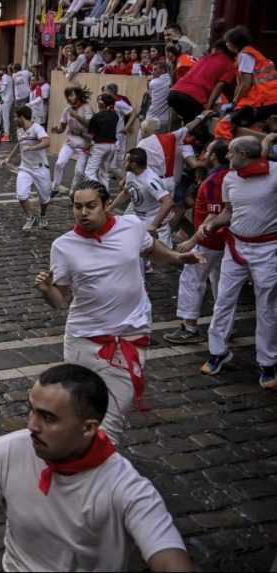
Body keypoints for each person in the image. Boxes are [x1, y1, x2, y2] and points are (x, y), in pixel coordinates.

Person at [0, 364, 194, 572]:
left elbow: (167, 555)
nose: (32, 425)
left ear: (88, 428)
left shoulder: (127, 489)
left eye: (48, 418)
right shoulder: (5, 451)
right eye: (32, 411)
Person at [34, 180, 202, 440]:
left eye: (91, 206)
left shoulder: (132, 226)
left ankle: (95, 471)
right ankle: (78, 467)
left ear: (106, 205)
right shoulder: (63, 246)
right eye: (77, 207)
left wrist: (178, 258)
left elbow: (152, 251)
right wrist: (47, 290)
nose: (83, 213)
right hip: (84, 340)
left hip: (129, 336)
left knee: (110, 420)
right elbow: (60, 301)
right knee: (79, 413)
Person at [200, 136, 277, 388]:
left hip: (267, 249)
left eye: (231, 152)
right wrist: (212, 224)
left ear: (243, 153)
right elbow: (228, 211)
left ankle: (267, 363)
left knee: (266, 306)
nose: (227, 156)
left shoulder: (275, 173)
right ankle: (218, 351)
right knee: (223, 300)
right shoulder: (230, 178)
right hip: (235, 247)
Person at [164, 139, 229, 345]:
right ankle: (224, 326)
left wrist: (192, 241)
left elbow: (214, 215)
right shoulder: (231, 177)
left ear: (215, 157)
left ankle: (189, 327)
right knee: (220, 283)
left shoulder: (214, 181)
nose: (203, 155)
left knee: (192, 279)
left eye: (207, 151)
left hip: (209, 241)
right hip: (225, 241)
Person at [107, 148, 173, 250]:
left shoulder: (150, 181)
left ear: (133, 164)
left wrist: (153, 225)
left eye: (127, 160)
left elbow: (168, 202)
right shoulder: (131, 174)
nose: (124, 162)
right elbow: (126, 193)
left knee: (161, 259)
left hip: (154, 223)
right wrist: (109, 208)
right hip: (138, 218)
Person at [0, 106, 52, 231]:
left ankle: (43, 215)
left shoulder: (37, 128)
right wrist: (8, 158)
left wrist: (32, 148)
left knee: (44, 199)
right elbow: (19, 145)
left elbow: (47, 142)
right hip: (25, 168)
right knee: (21, 195)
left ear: (22, 117)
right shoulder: (19, 131)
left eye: (16, 117)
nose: (14, 119)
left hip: (40, 168)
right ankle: (30, 217)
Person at [168, 41, 237, 125]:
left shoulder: (205, 57)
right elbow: (218, 87)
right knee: (199, 127)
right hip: (192, 97)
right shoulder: (229, 64)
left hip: (173, 93)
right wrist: (208, 108)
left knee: (190, 126)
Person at [51, 86, 93, 194]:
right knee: (59, 163)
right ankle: (55, 187)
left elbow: (89, 124)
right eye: (68, 96)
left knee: (79, 172)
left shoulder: (87, 108)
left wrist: (76, 116)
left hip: (84, 143)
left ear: (78, 95)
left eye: (71, 95)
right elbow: (62, 127)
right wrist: (57, 130)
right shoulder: (67, 109)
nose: (69, 98)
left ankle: (73, 193)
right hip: (70, 141)